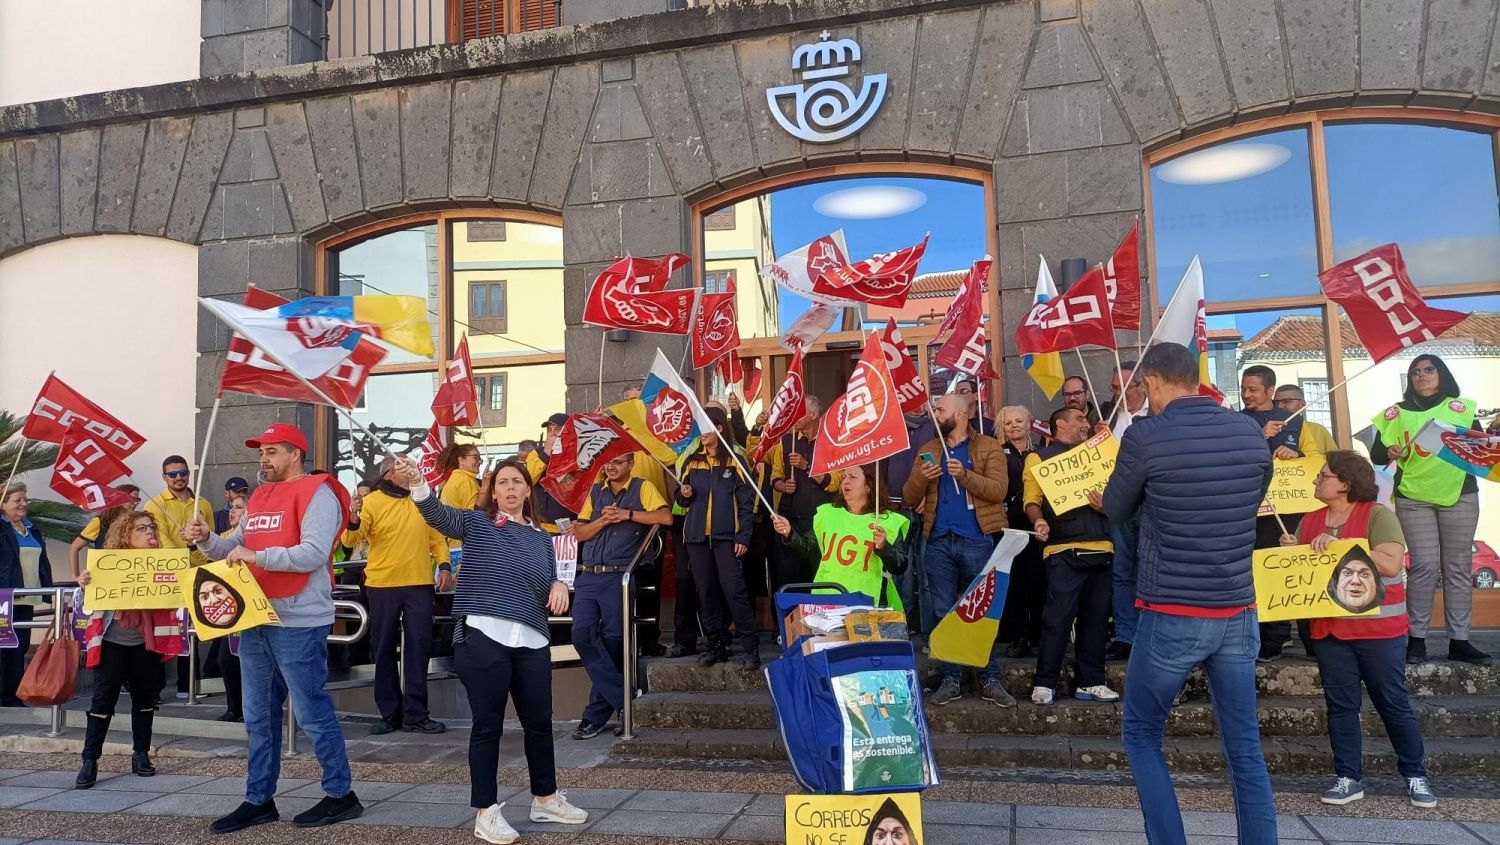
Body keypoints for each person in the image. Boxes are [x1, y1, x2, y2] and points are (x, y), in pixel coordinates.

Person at [1103, 342, 1276, 845]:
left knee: (1140, 734)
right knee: (1244, 745)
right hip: (1238, 607)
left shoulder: (1147, 436)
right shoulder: (1248, 431)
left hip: (1174, 607)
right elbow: (1254, 495)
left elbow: (1115, 507)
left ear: (1152, 383)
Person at [182, 424, 361, 833]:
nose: (264, 459)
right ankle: (258, 798)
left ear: (296, 454)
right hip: (255, 615)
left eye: (273, 451)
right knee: (257, 716)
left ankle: (341, 795)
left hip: (299, 618)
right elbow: (233, 548)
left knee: (312, 711)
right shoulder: (260, 495)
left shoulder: (318, 492)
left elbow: (314, 553)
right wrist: (207, 539)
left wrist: (257, 555)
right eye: (262, 451)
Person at [400, 455, 588, 842]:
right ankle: (486, 811)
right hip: (484, 636)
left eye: (517, 482)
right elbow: (437, 515)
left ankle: (546, 798)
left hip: (532, 640)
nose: (510, 488)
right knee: (488, 726)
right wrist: (419, 483)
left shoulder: (543, 538)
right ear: (492, 490)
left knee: (539, 723)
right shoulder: (478, 522)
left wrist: (558, 585)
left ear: (527, 489)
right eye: (502, 482)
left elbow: (552, 579)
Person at [1281, 450, 1436, 809]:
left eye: (1323, 476)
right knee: (1340, 706)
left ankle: (1415, 774)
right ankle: (1348, 777)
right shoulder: (1310, 519)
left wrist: (1342, 547)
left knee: (1392, 702)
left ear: (1346, 483)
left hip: (1379, 630)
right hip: (1331, 631)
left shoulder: (1378, 515)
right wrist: (1290, 552)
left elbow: (1390, 562)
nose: (1316, 481)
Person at [1370, 354, 1487, 665]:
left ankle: (1460, 640)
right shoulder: (1395, 413)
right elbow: (1377, 455)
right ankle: (1416, 639)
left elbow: (1480, 446)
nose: (1421, 375)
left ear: (1441, 374)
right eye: (1415, 371)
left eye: (1428, 370)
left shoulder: (1462, 409)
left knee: (1458, 568)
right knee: (1422, 567)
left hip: (1460, 494)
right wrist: (1389, 450)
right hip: (1413, 497)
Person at [902, 394, 1008, 707]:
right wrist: (922, 478)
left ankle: (988, 676)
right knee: (942, 611)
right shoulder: (928, 449)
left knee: (980, 610)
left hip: (977, 538)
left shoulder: (987, 446)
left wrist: (966, 475)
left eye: (940, 410)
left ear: (960, 415)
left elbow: (999, 489)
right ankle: (951, 678)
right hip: (937, 540)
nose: (934, 415)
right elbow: (909, 495)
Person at [342, 455, 454, 736]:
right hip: (382, 585)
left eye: (412, 466)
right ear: (390, 474)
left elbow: (436, 538)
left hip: (419, 584)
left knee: (419, 649)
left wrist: (444, 565)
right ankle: (390, 713)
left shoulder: (422, 498)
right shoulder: (372, 502)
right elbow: (350, 541)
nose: (412, 471)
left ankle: (416, 715)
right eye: (405, 468)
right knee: (383, 649)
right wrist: (353, 517)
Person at [73, 511, 183, 788]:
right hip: (113, 642)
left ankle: (141, 755)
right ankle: (90, 760)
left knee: (146, 699)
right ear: (126, 534)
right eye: (142, 528)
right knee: (102, 700)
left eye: (152, 528)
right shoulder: (106, 564)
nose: (150, 533)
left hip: (145, 643)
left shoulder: (162, 563)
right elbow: (89, 602)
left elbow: (177, 589)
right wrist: (85, 582)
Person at [569, 452, 671, 739]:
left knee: (613, 643)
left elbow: (665, 517)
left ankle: (594, 717)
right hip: (589, 574)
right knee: (581, 634)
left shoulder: (643, 487)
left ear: (629, 464)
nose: (611, 466)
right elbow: (579, 532)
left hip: (620, 575)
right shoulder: (595, 492)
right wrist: (604, 520)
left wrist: (626, 514)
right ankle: (626, 699)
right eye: (607, 463)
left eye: (617, 461)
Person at [1022, 408, 1119, 706]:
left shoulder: (1100, 454)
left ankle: (1091, 682)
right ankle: (1045, 682)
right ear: (1060, 424)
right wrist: (1038, 521)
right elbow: (1031, 500)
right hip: (1062, 549)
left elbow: (1123, 493)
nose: (1086, 424)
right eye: (1080, 420)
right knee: (1057, 618)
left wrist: (1108, 504)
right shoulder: (1038, 457)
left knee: (1097, 620)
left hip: (1102, 546)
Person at [678, 407, 758, 669]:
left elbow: (747, 502)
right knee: (707, 593)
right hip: (697, 538)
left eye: (707, 427)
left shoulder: (736, 459)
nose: (702, 433)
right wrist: (685, 495)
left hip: (727, 537)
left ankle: (750, 648)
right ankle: (716, 646)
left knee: (734, 591)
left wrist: (744, 536)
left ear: (720, 428)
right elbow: (681, 500)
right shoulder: (692, 461)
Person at [770, 462, 910, 608]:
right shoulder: (829, 514)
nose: (845, 482)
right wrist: (789, 532)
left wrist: (884, 547)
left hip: (867, 604)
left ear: (869, 485)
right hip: (827, 602)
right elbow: (807, 549)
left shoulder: (888, 521)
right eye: (844, 477)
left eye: (853, 477)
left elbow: (900, 566)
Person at [1239, 366, 1306, 662]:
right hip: (1253, 509)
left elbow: (1316, 457)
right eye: (1243, 389)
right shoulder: (1237, 421)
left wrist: (1298, 456)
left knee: (1292, 570)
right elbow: (1235, 458)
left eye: (1253, 389)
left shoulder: (1297, 421)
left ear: (1270, 392)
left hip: (1289, 509)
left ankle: (1301, 636)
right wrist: (1261, 438)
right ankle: (1266, 636)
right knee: (1258, 572)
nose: (1246, 394)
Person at [145, 455, 215, 699]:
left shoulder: (202, 504)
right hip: (165, 576)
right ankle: (153, 690)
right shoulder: (155, 505)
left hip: (195, 575)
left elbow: (210, 542)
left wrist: (197, 551)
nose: (178, 478)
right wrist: (185, 554)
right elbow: (159, 541)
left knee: (190, 632)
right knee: (160, 631)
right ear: (164, 477)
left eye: (182, 473)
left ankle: (188, 686)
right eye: (172, 474)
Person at [766, 396, 841, 590]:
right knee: (787, 578)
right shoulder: (786, 440)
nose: (794, 417)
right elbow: (775, 476)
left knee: (816, 576)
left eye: (800, 412)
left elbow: (834, 483)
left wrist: (806, 466)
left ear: (814, 415)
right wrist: (783, 485)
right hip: (788, 519)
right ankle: (785, 619)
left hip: (817, 521)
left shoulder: (832, 442)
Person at [1106, 363, 1147, 661]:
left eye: (1123, 388)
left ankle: (1148, 633)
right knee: (1121, 572)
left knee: (1148, 569)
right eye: (1114, 388)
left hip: (1149, 505)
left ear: (1141, 386)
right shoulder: (1105, 417)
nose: (1118, 394)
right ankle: (1124, 634)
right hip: (1117, 506)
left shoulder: (1159, 415)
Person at [996, 405, 1044, 659]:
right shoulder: (997, 453)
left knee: (1037, 581)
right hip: (1009, 525)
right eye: (1008, 423)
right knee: (1013, 582)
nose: (1013, 426)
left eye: (1018, 421)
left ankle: (1035, 633)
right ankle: (1014, 635)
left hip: (1037, 525)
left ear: (1029, 424)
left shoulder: (1041, 453)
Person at [1, 483, 53, 707]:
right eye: (17, 500)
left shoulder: (31, 529)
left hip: (28, 596)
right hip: (6, 597)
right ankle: (7, 696)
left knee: (20, 646)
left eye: (25, 499)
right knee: (6, 647)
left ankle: (14, 692)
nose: (23, 504)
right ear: (3, 505)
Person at [214, 493, 247, 722]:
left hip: (253, 604)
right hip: (229, 604)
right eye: (231, 507)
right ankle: (234, 707)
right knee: (226, 658)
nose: (232, 511)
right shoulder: (225, 537)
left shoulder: (255, 536)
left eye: (239, 507)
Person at [68, 483, 142, 579]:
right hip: (105, 577)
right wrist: (76, 576)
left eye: (137, 500)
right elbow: (75, 547)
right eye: (130, 499)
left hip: (130, 576)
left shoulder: (137, 522)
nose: (134, 503)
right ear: (118, 498)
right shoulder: (100, 522)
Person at [525, 414, 578, 535]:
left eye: (558, 429)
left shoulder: (577, 453)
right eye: (549, 430)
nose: (552, 434)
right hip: (539, 525)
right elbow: (527, 480)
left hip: (568, 527)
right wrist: (546, 453)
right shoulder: (537, 453)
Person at [1273, 385, 1337, 457]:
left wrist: (1299, 454)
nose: (1279, 406)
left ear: (1302, 404)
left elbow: (1334, 461)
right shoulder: (1270, 429)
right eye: (1275, 403)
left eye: (1286, 401)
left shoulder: (1319, 430)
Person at [439, 443, 484, 513]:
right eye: (475, 457)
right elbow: (473, 516)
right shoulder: (465, 481)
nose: (480, 462)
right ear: (461, 460)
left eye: (480, 458)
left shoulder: (455, 478)